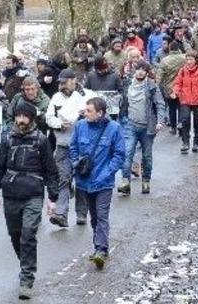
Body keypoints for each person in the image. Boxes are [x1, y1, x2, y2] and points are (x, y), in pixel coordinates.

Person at [0, 102, 60, 300]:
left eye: (24, 116)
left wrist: (53, 199)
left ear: (31, 118)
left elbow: (51, 171)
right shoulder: (7, 139)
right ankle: (25, 262)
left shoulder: (41, 140)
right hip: (11, 193)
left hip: (33, 194)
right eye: (18, 116)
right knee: (15, 234)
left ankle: (26, 278)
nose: (21, 120)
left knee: (28, 234)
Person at [69, 97, 125, 270]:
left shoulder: (114, 128)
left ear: (100, 113)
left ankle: (101, 249)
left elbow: (119, 155)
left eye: (89, 111)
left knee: (101, 215)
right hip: (84, 182)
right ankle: (98, 245)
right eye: (85, 110)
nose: (85, 114)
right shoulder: (80, 126)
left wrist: (106, 173)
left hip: (103, 183)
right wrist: (76, 164)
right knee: (93, 217)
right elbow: (73, 148)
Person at [45, 69, 99, 227]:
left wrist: (84, 117)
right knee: (62, 179)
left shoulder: (86, 96)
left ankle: (82, 213)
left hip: (82, 146)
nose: (61, 85)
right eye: (60, 82)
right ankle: (61, 213)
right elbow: (49, 117)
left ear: (73, 80)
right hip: (62, 145)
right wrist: (59, 124)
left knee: (81, 178)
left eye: (64, 82)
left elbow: (97, 114)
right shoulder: (56, 98)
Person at [116, 60, 165, 195]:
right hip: (130, 124)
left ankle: (146, 181)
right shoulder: (127, 85)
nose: (140, 72)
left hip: (148, 127)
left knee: (147, 156)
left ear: (147, 72)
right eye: (138, 69)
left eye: (143, 70)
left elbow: (160, 105)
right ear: (134, 70)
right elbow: (121, 102)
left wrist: (160, 121)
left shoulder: (152, 86)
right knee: (127, 153)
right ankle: (125, 181)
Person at [171, 50, 198, 154]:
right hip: (185, 99)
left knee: (197, 122)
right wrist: (175, 92)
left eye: (191, 59)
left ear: (196, 60)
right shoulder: (183, 71)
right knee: (185, 120)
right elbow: (177, 83)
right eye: (187, 59)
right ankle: (185, 143)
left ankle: (196, 142)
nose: (189, 61)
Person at [156, 41, 186, 135]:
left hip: (169, 88)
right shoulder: (184, 58)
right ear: (178, 48)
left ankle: (173, 127)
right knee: (182, 106)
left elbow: (159, 76)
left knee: (171, 108)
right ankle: (181, 123)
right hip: (182, 87)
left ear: (170, 48)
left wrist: (157, 85)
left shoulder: (165, 60)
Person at [85, 56, 123, 122]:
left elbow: (121, 90)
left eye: (103, 69)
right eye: (99, 70)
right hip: (95, 111)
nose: (101, 71)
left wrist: (118, 97)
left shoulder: (114, 76)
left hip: (111, 112)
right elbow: (86, 91)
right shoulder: (91, 76)